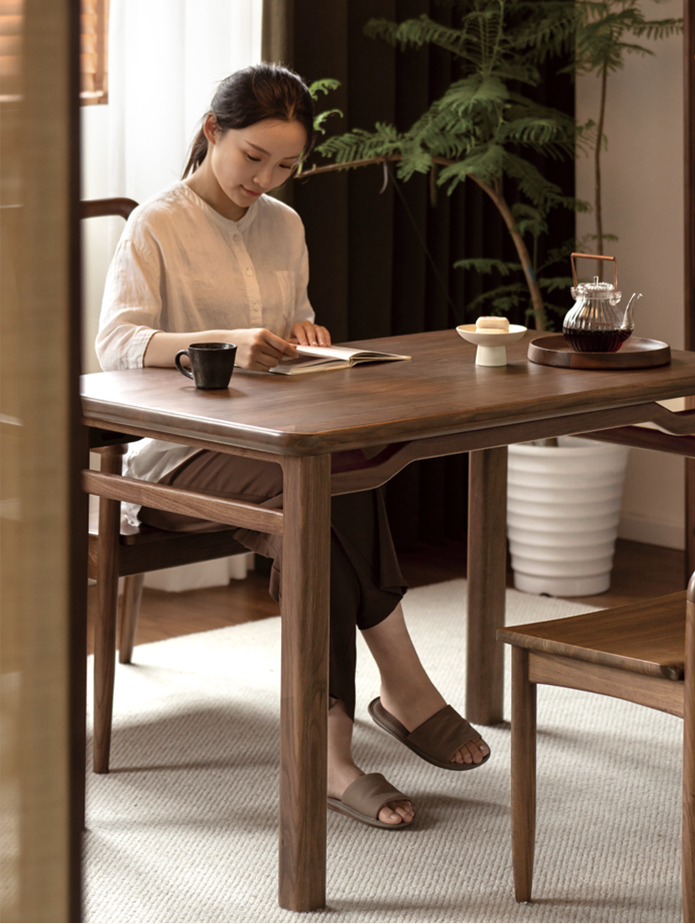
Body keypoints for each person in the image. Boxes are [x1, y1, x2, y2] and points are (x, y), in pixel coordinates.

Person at [96, 63, 490, 829]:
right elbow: (116, 344)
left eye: (284, 166)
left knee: (336, 479)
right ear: (213, 131)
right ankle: (396, 694)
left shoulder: (285, 225)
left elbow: (295, 321)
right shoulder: (157, 224)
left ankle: (333, 746)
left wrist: (305, 336)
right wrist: (224, 344)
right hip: (176, 454)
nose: (265, 179)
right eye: (253, 158)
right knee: (333, 485)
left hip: (278, 443)